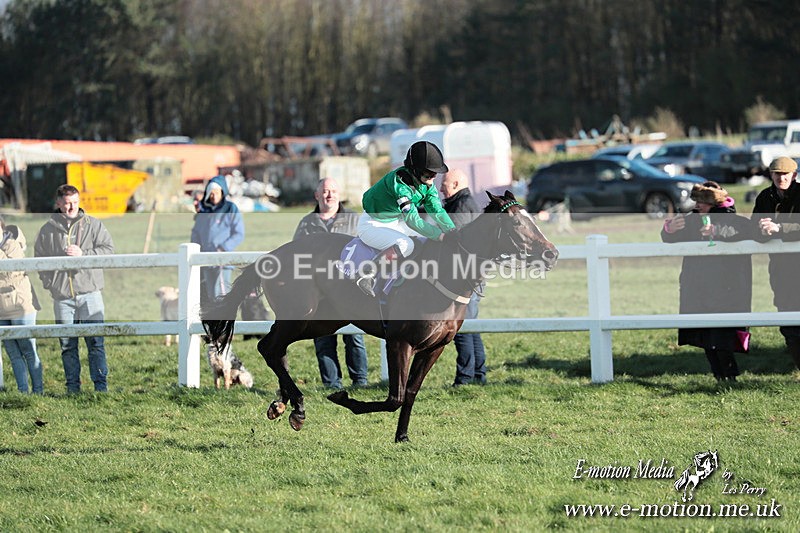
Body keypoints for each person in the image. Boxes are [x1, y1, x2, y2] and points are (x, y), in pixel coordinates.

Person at [661, 181, 753, 381]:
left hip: (726, 286)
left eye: (702, 201)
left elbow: (745, 230)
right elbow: (668, 239)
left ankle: (729, 375)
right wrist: (670, 230)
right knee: (705, 334)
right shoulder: (692, 219)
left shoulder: (733, 219)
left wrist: (717, 232)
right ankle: (719, 375)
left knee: (721, 334)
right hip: (697, 285)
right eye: (696, 201)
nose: (697, 205)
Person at [34, 184, 115, 393]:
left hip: (90, 293)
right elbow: (39, 260)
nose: (72, 207)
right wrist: (50, 285)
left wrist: (83, 253)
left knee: (95, 342)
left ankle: (101, 387)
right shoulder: (47, 230)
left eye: (76, 203)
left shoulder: (94, 225)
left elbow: (108, 251)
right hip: (62, 297)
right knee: (67, 345)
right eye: (68, 203)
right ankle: (72, 389)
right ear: (58, 203)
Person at [294, 178, 368, 388]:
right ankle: (331, 383)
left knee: (354, 336)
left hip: (350, 290)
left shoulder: (354, 220)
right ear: (317, 195)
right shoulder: (307, 224)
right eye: (325, 191)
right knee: (322, 338)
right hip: (319, 292)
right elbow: (297, 255)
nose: (329, 195)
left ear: (339, 194)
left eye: (333, 191)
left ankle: (360, 381)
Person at [356, 140, 456, 296]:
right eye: (429, 173)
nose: (433, 176)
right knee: (405, 244)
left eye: (435, 173)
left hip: (395, 222)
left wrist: (452, 230)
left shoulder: (426, 183)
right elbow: (412, 221)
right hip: (372, 225)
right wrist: (440, 235)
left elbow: (436, 210)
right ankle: (366, 273)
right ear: (415, 170)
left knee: (425, 238)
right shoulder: (400, 184)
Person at [752, 156, 800, 370]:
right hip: (780, 269)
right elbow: (754, 227)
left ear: (794, 175)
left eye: (785, 174)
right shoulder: (764, 197)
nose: (781, 178)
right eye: (777, 174)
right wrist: (762, 230)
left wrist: (780, 228)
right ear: (771, 175)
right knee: (787, 320)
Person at [439, 168, 487, 386]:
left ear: (456, 184)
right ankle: (478, 373)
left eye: (444, 185)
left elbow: (451, 236)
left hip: (464, 280)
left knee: (463, 329)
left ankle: (465, 377)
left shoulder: (461, 205)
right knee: (471, 327)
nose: (440, 189)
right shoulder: (464, 202)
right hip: (471, 278)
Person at [0, 217, 43, 394]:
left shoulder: (12, 243)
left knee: (28, 348)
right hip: (1, 307)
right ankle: (23, 391)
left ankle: (38, 390)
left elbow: (10, 270)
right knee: (12, 351)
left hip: (20, 303)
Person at [191, 175, 245, 303]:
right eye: (211, 193)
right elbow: (196, 233)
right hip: (206, 260)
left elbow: (238, 233)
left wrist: (223, 248)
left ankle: (222, 321)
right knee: (211, 296)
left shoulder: (230, 208)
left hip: (222, 261)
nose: (214, 196)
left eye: (216, 192)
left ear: (222, 192)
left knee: (221, 295)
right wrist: (194, 251)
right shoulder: (204, 212)